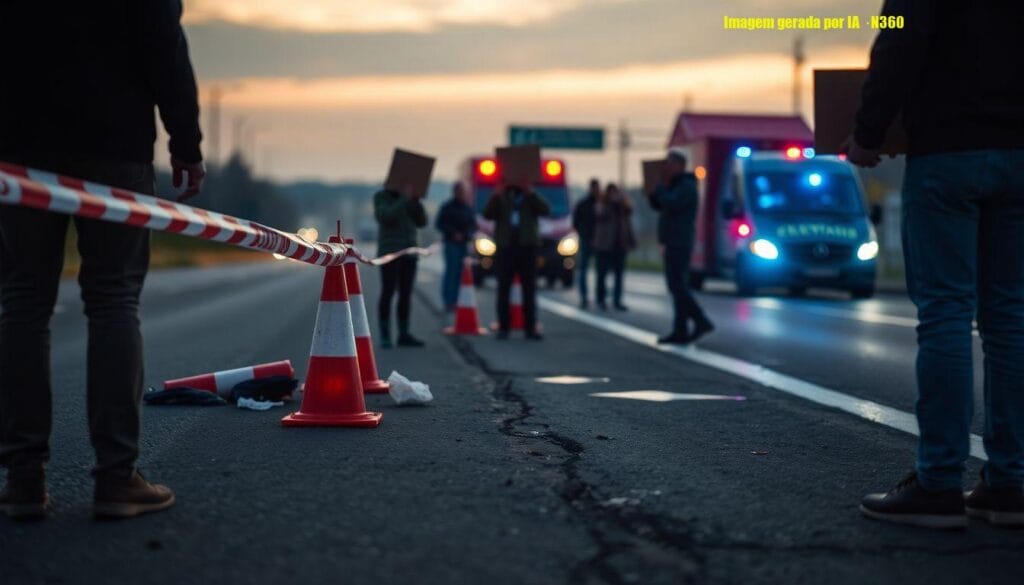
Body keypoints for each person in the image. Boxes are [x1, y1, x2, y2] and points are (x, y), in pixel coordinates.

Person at [0, 2, 204, 520]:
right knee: (113, 299)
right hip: (115, 146)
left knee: (23, 300)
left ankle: (23, 479)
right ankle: (117, 479)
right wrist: (186, 142)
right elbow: (164, 45)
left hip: (21, 145)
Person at [847, 0, 1024, 529]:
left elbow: (899, 43)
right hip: (1020, 157)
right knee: (1011, 317)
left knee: (946, 312)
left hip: (947, 153)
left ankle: (939, 482)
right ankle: (1010, 483)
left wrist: (867, 132)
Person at [648, 149, 714, 345]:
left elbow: (672, 203)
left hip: (680, 241)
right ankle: (681, 330)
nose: (665, 167)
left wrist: (660, 189)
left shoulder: (686, 185)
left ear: (678, 165)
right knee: (676, 286)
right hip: (672, 240)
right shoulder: (675, 185)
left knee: (678, 286)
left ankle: (700, 320)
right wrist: (654, 192)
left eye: (668, 163)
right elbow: (661, 205)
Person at [483, 178, 551, 340]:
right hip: (506, 247)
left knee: (529, 289)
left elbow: (546, 210)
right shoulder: (502, 196)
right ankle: (504, 326)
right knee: (503, 289)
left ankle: (530, 327)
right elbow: (487, 214)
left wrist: (531, 192)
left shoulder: (529, 196)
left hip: (527, 247)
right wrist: (497, 195)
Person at [374, 183, 428, 349]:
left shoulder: (411, 200)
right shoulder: (382, 197)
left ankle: (404, 333)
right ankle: (385, 334)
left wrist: (415, 202)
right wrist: (403, 198)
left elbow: (422, 222)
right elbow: (385, 217)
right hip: (389, 251)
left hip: (409, 252)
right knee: (388, 291)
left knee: (406, 293)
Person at [592, 183, 635, 311]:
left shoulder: (622, 208)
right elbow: (599, 215)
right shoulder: (602, 205)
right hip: (604, 245)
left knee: (619, 275)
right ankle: (601, 299)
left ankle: (617, 300)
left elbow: (629, 214)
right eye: (612, 193)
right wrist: (610, 203)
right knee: (602, 274)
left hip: (619, 245)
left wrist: (622, 202)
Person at [435, 183, 477, 313]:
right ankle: (449, 301)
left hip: (463, 244)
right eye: (459, 191)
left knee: (461, 273)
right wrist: (453, 233)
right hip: (451, 243)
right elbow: (439, 224)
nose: (461, 194)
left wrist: (466, 235)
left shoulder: (467, 208)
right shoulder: (447, 207)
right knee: (451, 272)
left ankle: (458, 301)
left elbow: (473, 225)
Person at [572, 179, 600, 309]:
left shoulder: (601, 204)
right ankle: (584, 297)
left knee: (601, 271)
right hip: (586, 240)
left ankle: (601, 297)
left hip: (601, 241)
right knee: (583, 269)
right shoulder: (583, 204)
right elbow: (576, 222)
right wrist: (585, 235)